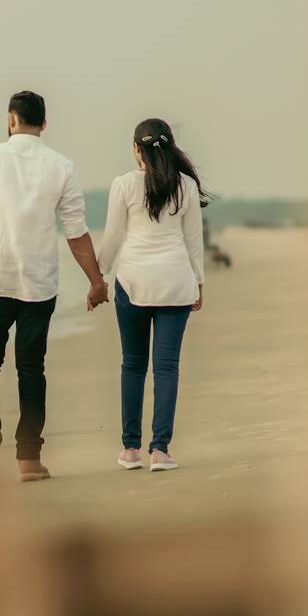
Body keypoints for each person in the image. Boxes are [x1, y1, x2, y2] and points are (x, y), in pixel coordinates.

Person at [0, 90, 108, 484]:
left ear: (11, 120)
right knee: (31, 369)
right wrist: (97, 281)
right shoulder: (61, 166)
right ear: (44, 124)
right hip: (38, 284)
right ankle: (28, 459)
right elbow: (76, 231)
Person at [94, 118, 208, 472]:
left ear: (136, 150)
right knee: (166, 367)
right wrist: (199, 282)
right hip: (176, 282)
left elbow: (112, 239)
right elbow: (193, 241)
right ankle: (160, 450)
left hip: (132, 282)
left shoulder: (124, 184)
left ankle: (130, 450)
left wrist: (97, 276)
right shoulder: (186, 186)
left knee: (133, 364)